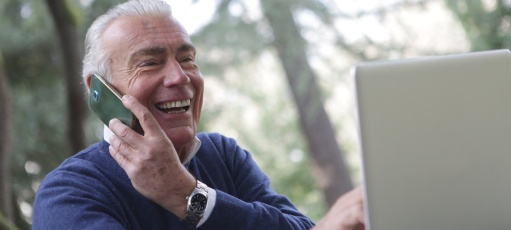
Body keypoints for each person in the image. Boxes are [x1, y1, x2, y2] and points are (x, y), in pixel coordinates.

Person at [33, 1, 314, 229]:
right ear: (100, 91)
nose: (179, 77)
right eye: (150, 63)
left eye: (187, 59)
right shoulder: (68, 192)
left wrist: (187, 194)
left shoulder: (223, 155)